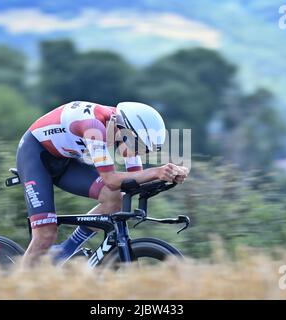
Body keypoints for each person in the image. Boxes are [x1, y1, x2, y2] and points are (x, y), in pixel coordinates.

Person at [16, 101, 189, 267]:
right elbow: (111, 180)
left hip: (65, 161)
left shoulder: (121, 126)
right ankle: (17, 289)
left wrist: (167, 175)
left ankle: (64, 251)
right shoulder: (94, 126)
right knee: (46, 234)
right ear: (126, 130)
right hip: (35, 156)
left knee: (114, 199)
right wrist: (156, 171)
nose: (137, 152)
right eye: (139, 146)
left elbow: (133, 179)